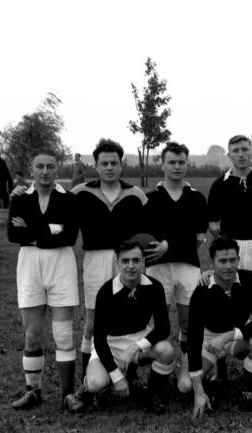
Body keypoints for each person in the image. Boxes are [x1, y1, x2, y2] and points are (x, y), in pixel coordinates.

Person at [70, 139, 166, 385]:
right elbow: (54, 199)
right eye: (104, 163)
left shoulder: (135, 194)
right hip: (96, 259)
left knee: (129, 314)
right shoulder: (81, 192)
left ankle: (129, 371)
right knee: (92, 323)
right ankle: (84, 382)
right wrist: (20, 191)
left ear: (121, 164)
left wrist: (164, 243)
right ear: (96, 165)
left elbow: (152, 228)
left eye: (114, 162)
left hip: (127, 261)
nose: (110, 167)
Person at [63, 239, 175, 414]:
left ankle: (152, 394)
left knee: (166, 350)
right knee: (96, 383)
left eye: (136, 260)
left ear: (144, 262)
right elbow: (99, 340)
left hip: (138, 340)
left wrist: (136, 347)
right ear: (117, 263)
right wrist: (116, 377)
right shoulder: (106, 292)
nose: (131, 266)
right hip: (110, 345)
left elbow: (163, 328)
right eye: (125, 261)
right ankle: (83, 392)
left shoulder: (155, 287)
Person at [7, 150, 79, 411]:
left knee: (63, 334)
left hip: (61, 264)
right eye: (40, 166)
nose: (45, 171)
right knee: (33, 334)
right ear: (32, 169)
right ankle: (33, 391)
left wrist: (33, 232)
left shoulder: (69, 199)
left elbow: (70, 236)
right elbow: (14, 234)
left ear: (57, 169)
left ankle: (67, 395)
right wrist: (50, 230)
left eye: (50, 166)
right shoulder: (20, 198)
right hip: (29, 266)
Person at [143, 142, 209, 393]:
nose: (177, 166)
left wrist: (168, 244)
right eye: (172, 162)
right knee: (158, 322)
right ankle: (159, 373)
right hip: (158, 268)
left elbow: (199, 238)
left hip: (188, 266)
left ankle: (186, 364)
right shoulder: (150, 198)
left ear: (187, 163)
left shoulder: (196, 198)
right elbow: (147, 236)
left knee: (188, 320)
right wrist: (161, 247)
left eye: (181, 162)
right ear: (162, 164)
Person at [183, 236, 252, 420]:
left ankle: (249, 390)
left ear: (239, 259)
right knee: (184, 385)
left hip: (235, 336)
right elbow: (194, 337)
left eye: (232, 260)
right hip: (209, 339)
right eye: (222, 261)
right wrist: (198, 392)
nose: (229, 266)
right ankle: (212, 380)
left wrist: (228, 336)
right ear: (212, 262)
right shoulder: (201, 290)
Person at [208, 134, 252, 273]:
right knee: (231, 290)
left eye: (245, 150)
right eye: (236, 151)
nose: (241, 154)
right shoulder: (219, 185)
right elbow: (212, 225)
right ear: (229, 155)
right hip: (230, 248)